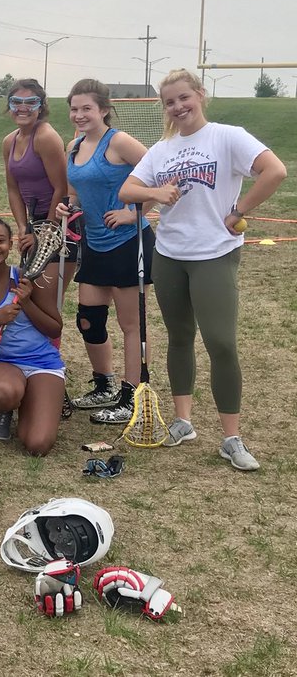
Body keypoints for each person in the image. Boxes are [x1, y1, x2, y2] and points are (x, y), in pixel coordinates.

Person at [119, 69, 287, 471]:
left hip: (214, 252)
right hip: (170, 254)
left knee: (221, 343)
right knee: (179, 338)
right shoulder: (162, 149)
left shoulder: (228, 136)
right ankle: (183, 421)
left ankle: (231, 437)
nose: (178, 107)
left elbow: (275, 170)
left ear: (200, 95)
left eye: (183, 98)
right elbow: (128, 191)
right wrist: (155, 192)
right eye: (170, 103)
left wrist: (239, 211)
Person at [58, 78, 154, 424]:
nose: (80, 115)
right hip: (94, 242)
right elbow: (75, 192)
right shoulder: (74, 145)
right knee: (89, 319)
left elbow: (161, 176)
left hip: (129, 243)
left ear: (103, 110)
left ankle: (131, 396)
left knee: (132, 325)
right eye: (74, 109)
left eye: (87, 108)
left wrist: (134, 212)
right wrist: (68, 207)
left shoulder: (120, 142)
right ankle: (103, 384)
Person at [0, 218, 66, 455]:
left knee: (37, 445)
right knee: (4, 394)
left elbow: (54, 329)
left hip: (43, 364)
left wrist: (26, 302)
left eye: (0, 241)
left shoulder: (28, 279)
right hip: (2, 363)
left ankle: (33, 399)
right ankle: (5, 409)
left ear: (10, 244)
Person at [1, 79, 76, 305]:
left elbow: (61, 189)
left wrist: (45, 235)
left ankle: (50, 342)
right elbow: (13, 189)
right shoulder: (9, 141)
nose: (23, 108)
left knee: (47, 301)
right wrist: (24, 228)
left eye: (30, 102)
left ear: (41, 106)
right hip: (35, 223)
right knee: (29, 297)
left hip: (58, 223)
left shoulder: (45, 137)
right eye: (16, 102)